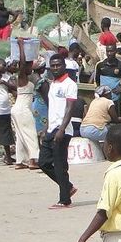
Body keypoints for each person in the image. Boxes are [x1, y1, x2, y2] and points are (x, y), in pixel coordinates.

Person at [39, 54, 78, 209]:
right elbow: (53, 108)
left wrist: (62, 129)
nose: (55, 68)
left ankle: (64, 199)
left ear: (64, 66)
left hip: (62, 130)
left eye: (58, 65)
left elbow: (69, 108)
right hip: (51, 128)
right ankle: (67, 187)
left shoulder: (70, 84)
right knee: (43, 162)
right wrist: (46, 128)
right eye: (53, 65)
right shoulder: (53, 84)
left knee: (60, 165)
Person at [9, 50, 40, 170]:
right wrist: (21, 46)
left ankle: (20, 160)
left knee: (21, 136)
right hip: (22, 109)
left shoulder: (25, 78)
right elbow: (22, 64)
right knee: (31, 134)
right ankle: (33, 160)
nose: (31, 68)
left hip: (19, 109)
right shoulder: (22, 77)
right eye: (30, 66)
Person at [94, 44, 121, 116]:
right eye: (107, 51)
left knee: (116, 119)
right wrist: (97, 94)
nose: (109, 53)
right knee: (102, 118)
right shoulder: (100, 65)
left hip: (115, 99)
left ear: (115, 51)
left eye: (111, 51)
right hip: (102, 100)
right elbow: (96, 81)